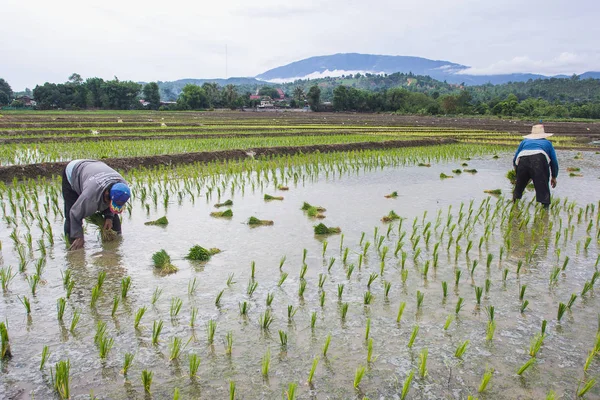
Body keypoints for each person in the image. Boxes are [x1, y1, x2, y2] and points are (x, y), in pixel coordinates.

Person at [62, 159, 131, 250]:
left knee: (112, 219)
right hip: (73, 172)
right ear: (106, 194)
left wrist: (109, 217)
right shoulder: (90, 195)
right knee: (70, 217)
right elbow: (74, 213)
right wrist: (78, 236)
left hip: (96, 168)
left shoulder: (123, 188)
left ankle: (115, 245)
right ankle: (71, 246)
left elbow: (113, 203)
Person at [512, 124, 559, 209]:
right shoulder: (547, 143)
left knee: (519, 187)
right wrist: (554, 176)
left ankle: (514, 205)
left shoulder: (524, 142)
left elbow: (515, 159)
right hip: (539, 160)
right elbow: (554, 162)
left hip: (522, 160)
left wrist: (518, 174)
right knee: (543, 187)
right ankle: (545, 212)